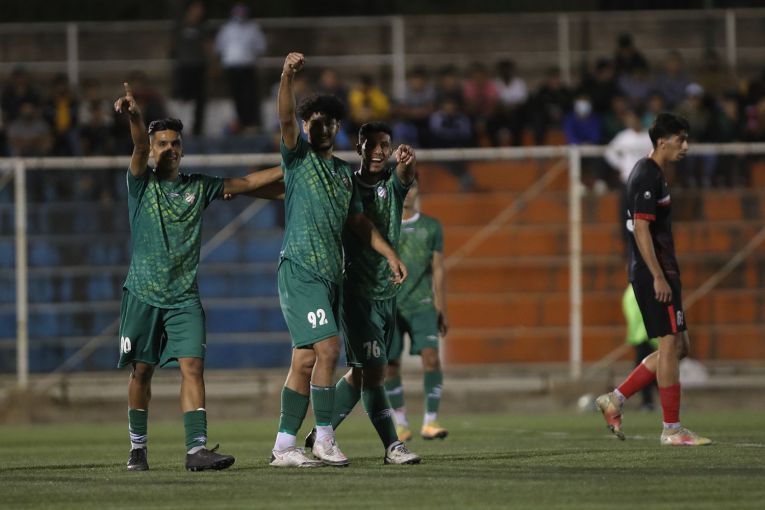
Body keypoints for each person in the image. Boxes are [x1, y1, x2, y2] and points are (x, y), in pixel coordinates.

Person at [114, 82, 285, 472]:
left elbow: (245, 185)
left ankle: (196, 449)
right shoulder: (141, 183)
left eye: (175, 143)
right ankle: (138, 447)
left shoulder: (199, 186)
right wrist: (136, 117)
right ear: (152, 150)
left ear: (183, 149)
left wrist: (291, 165)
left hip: (184, 298)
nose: (169, 148)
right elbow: (137, 147)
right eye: (162, 144)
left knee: (193, 367)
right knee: (142, 371)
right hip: (142, 294)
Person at [269, 53, 407, 468]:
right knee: (329, 349)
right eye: (315, 121)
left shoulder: (345, 174)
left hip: (330, 276)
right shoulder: (298, 158)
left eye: (330, 122)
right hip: (301, 269)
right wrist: (287, 75)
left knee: (305, 359)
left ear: (337, 127)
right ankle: (325, 438)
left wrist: (390, 253)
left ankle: (284, 446)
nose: (323, 127)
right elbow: (284, 118)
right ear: (305, 126)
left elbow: (360, 223)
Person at [304, 122, 421, 465]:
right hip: (358, 294)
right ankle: (393, 446)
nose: (378, 151)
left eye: (385, 145)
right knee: (374, 372)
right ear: (359, 148)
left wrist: (408, 161)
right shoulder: (347, 187)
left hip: (387, 294)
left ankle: (321, 431)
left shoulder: (392, 186)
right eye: (371, 145)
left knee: (361, 373)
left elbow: (405, 174)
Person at [595, 112, 711, 446]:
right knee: (670, 344)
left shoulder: (653, 173)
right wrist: (658, 276)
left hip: (662, 270)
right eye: (680, 139)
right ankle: (671, 429)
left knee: (680, 347)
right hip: (654, 272)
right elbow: (642, 229)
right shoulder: (647, 174)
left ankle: (615, 398)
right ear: (662, 142)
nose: (685, 146)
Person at [384, 179, 449, 441]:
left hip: (422, 304)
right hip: (391, 304)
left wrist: (441, 307)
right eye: (404, 186)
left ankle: (431, 421)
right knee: (390, 365)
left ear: (419, 189)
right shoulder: (384, 225)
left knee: (431, 358)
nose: (408, 192)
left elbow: (438, 269)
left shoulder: (431, 226)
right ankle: (401, 424)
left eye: (412, 187)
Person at [214, 3, 267, 131]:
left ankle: (252, 122)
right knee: (237, 96)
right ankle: (241, 122)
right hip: (232, 67)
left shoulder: (253, 28)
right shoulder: (227, 29)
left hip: (247, 67)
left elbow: (260, 47)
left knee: (250, 96)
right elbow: (219, 47)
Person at [170, 0, 212, 136]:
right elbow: (172, 44)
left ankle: (197, 130)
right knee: (182, 99)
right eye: (197, 8)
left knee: (199, 99)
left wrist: (212, 62)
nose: (200, 11)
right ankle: (179, 128)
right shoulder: (180, 25)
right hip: (184, 67)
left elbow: (207, 46)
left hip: (198, 67)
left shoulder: (202, 27)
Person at [622, 284, 657, 410]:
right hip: (642, 335)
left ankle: (648, 402)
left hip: (643, 335)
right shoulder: (638, 289)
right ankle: (650, 401)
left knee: (646, 370)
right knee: (650, 370)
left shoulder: (631, 291)